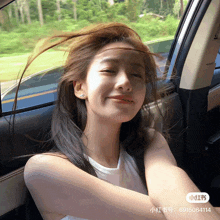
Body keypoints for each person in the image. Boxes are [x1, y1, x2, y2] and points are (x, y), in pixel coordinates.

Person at [21, 22, 220, 220]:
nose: (125, 82)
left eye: (136, 75)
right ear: (80, 87)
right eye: (109, 70)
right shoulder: (44, 170)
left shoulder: (150, 142)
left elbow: (173, 188)